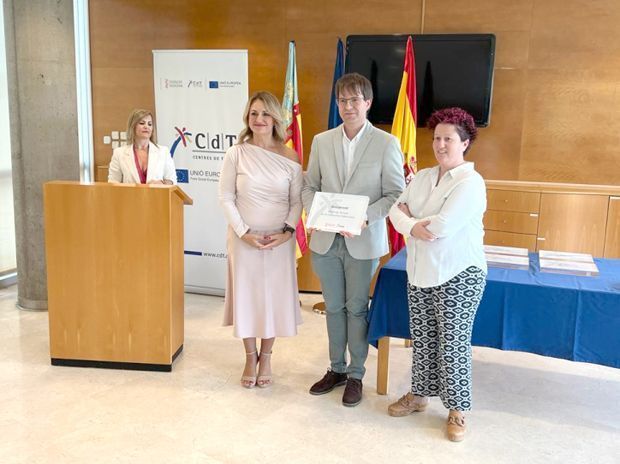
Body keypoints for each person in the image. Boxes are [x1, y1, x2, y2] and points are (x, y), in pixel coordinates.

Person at [302, 73, 405, 407]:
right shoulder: (322, 141)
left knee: (357, 308)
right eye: (342, 100)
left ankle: (357, 374)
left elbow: (395, 194)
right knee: (333, 307)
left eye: (355, 100)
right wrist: (317, 213)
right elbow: (309, 187)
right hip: (326, 240)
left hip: (363, 240)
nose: (348, 106)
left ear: (368, 103)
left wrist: (364, 217)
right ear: (337, 103)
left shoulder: (386, 143)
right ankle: (336, 369)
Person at [387, 107, 487, 442]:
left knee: (453, 341)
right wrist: (414, 223)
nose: (440, 145)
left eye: (449, 139)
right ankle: (419, 395)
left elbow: (442, 227)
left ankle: (457, 410)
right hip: (420, 271)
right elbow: (394, 210)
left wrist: (410, 222)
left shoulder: (471, 183)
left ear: (465, 143)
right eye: (437, 138)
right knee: (424, 337)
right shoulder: (424, 177)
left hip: (459, 272)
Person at [218, 91, 303, 389]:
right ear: (247, 117)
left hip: (279, 241)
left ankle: (266, 357)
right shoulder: (236, 153)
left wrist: (287, 231)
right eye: (254, 113)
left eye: (265, 113)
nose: (259, 119)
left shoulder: (290, 156)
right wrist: (244, 232)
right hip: (244, 239)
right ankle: (249, 356)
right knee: (248, 297)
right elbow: (225, 196)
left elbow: (297, 201)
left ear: (275, 118)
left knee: (272, 299)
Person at [108, 109, 177, 185]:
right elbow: (113, 182)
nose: (146, 126)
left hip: (157, 193)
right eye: (142, 123)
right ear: (133, 126)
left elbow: (172, 180)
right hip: (130, 193)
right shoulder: (119, 153)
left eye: (149, 124)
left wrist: (162, 183)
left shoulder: (163, 151)